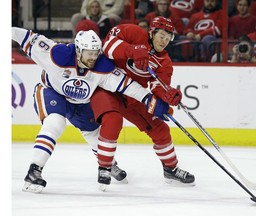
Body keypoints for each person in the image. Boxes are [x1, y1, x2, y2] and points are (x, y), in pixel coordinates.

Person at [12, 27, 170, 193]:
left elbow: (128, 86)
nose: (93, 57)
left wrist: (149, 100)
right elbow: (25, 36)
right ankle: (33, 171)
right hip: (52, 92)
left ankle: (110, 164)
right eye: (89, 53)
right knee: (55, 123)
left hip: (80, 102)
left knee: (95, 134)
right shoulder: (56, 54)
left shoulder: (103, 66)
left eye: (96, 53)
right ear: (78, 50)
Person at [90, 16, 195, 189]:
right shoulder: (134, 32)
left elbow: (157, 86)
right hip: (107, 87)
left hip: (133, 95)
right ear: (152, 32)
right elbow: (107, 45)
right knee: (112, 122)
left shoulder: (165, 62)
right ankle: (105, 167)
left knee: (160, 129)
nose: (164, 41)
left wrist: (168, 95)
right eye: (161, 36)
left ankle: (170, 168)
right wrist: (131, 50)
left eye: (168, 38)